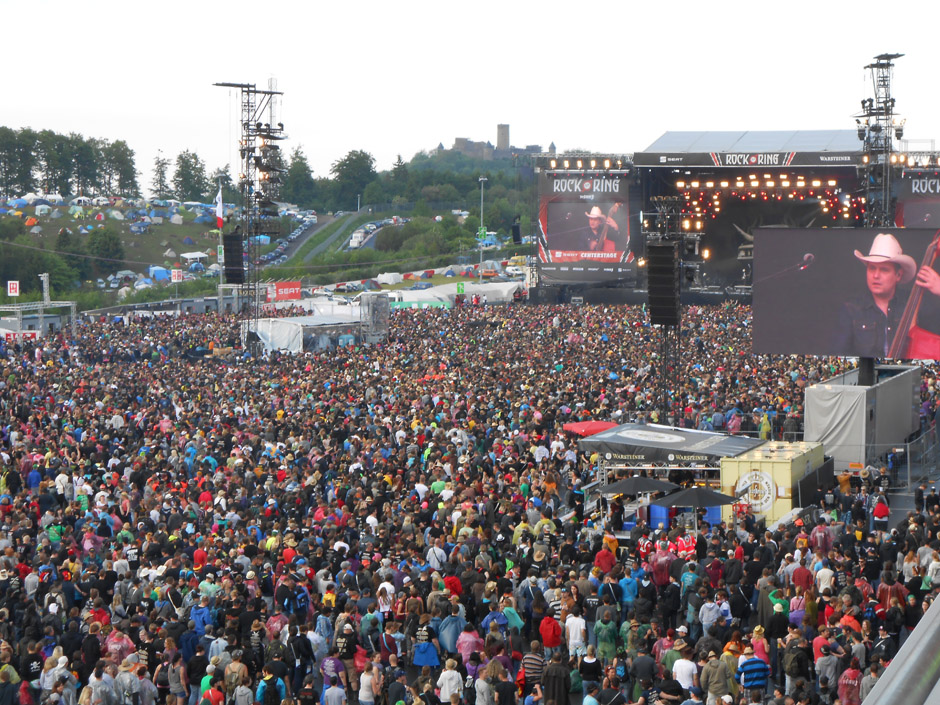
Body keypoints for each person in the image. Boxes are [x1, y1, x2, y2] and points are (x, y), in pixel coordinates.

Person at [832, 231, 940, 357]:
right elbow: (838, 354)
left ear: (898, 275)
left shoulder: (917, 305)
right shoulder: (851, 309)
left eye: (884, 269)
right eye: (872, 268)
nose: (876, 276)